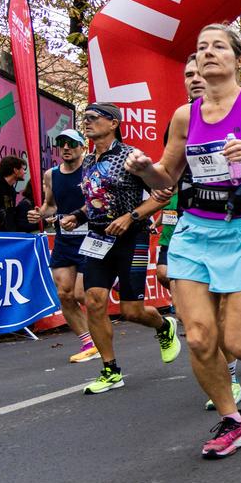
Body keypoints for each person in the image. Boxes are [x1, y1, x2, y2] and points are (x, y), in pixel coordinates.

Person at [126, 24, 241, 458]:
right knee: (197, 336)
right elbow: (166, 178)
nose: (208, 53)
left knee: (240, 342)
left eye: (218, 47)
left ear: (237, 60)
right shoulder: (183, 116)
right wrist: (142, 169)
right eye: (201, 47)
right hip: (195, 230)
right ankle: (232, 421)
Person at [59, 102, 178, 395]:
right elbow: (94, 200)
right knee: (95, 300)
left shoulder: (130, 157)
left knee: (131, 311)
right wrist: (78, 215)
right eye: (84, 118)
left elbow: (163, 195)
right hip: (99, 240)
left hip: (132, 238)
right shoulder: (87, 162)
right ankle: (110, 370)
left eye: (92, 118)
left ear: (113, 123)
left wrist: (132, 217)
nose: (86, 122)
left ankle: (164, 327)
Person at [27, 129, 96, 362]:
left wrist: (78, 216)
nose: (65, 147)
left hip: (90, 237)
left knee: (81, 294)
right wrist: (39, 213)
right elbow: (51, 205)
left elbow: (99, 202)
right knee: (64, 294)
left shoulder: (91, 169)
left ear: (81, 147)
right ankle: (89, 342)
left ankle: (100, 335)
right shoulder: (51, 175)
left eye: (71, 143)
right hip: (65, 239)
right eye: (61, 143)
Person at [0, 155, 27, 232]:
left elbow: (10, 213)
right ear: (15, 170)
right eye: (23, 169)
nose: (25, 172)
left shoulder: (12, 190)